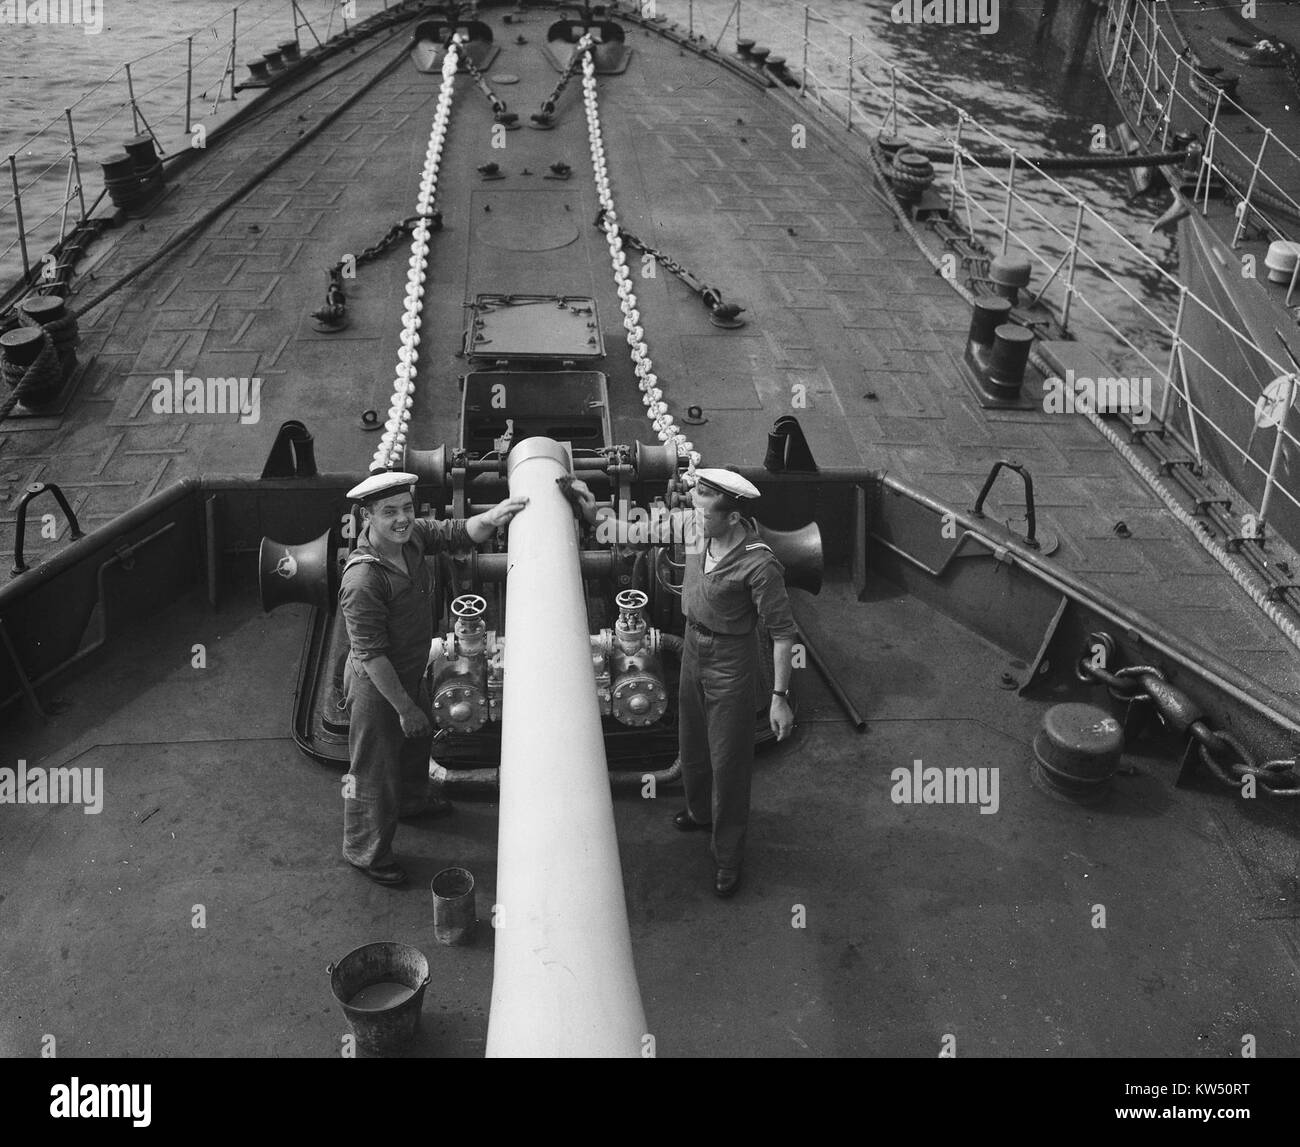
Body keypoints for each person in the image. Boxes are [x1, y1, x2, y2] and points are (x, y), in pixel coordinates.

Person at [573, 467, 796, 898]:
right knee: (691, 740)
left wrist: (779, 697)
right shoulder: (698, 528)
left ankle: (728, 857)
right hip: (694, 646)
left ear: (733, 517)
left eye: (705, 513)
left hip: (731, 660)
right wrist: (591, 512)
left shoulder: (759, 564)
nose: (695, 521)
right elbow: (638, 532)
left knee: (729, 761)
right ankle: (698, 812)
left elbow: (783, 633)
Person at [339, 471, 528, 886]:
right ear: (367, 516)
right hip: (379, 687)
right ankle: (365, 852)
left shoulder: (414, 538)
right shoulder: (364, 579)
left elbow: (460, 532)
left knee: (416, 743)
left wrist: (497, 514)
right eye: (389, 512)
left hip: (411, 668)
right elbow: (371, 655)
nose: (402, 519)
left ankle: (411, 801)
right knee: (374, 769)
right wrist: (404, 708)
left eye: (406, 508)